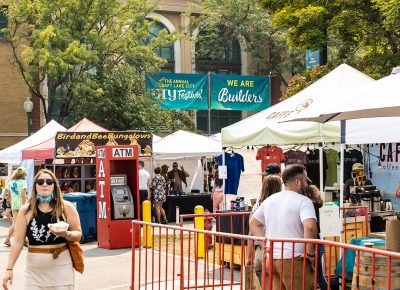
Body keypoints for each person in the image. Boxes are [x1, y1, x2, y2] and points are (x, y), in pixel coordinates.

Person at [2, 169, 82, 290]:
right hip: (34, 272)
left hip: (61, 269)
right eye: (40, 182)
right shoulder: (26, 210)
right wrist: (9, 269)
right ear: (35, 186)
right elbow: (18, 242)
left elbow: (78, 234)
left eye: (49, 181)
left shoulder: (66, 207)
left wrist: (66, 233)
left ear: (54, 185)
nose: (45, 184)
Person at [250, 164, 317, 290]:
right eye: (306, 180)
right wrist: (310, 255)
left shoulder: (270, 200)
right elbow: (310, 227)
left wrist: (266, 246)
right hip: (294, 259)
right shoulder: (303, 201)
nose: (307, 184)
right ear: (298, 182)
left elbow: (254, 223)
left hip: (272, 259)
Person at [246, 175, 282, 288]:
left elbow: (251, 232)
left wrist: (248, 256)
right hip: (278, 247)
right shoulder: (280, 204)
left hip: (261, 249)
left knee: (264, 279)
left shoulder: (257, 206)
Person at [303, 185, 328, 290]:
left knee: (318, 276)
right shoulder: (316, 205)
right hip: (318, 241)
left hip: (314, 244)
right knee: (319, 275)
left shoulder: (309, 206)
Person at [3, 167, 27, 247]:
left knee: (20, 223)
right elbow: (23, 195)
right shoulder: (23, 182)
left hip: (14, 206)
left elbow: (8, 196)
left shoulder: (11, 182)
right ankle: (7, 239)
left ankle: (24, 240)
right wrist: (25, 205)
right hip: (21, 205)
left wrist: (10, 203)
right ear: (23, 175)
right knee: (17, 223)